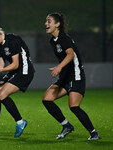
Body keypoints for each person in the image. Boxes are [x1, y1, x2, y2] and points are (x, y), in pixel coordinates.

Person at [43, 12, 100, 140]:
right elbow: (64, 58)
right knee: (47, 99)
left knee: (74, 106)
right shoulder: (53, 40)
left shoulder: (63, 38)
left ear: (57, 24)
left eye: (49, 21)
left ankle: (94, 133)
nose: (46, 24)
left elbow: (70, 55)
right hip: (65, 76)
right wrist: (60, 67)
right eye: (46, 21)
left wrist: (59, 67)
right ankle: (66, 125)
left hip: (75, 75)